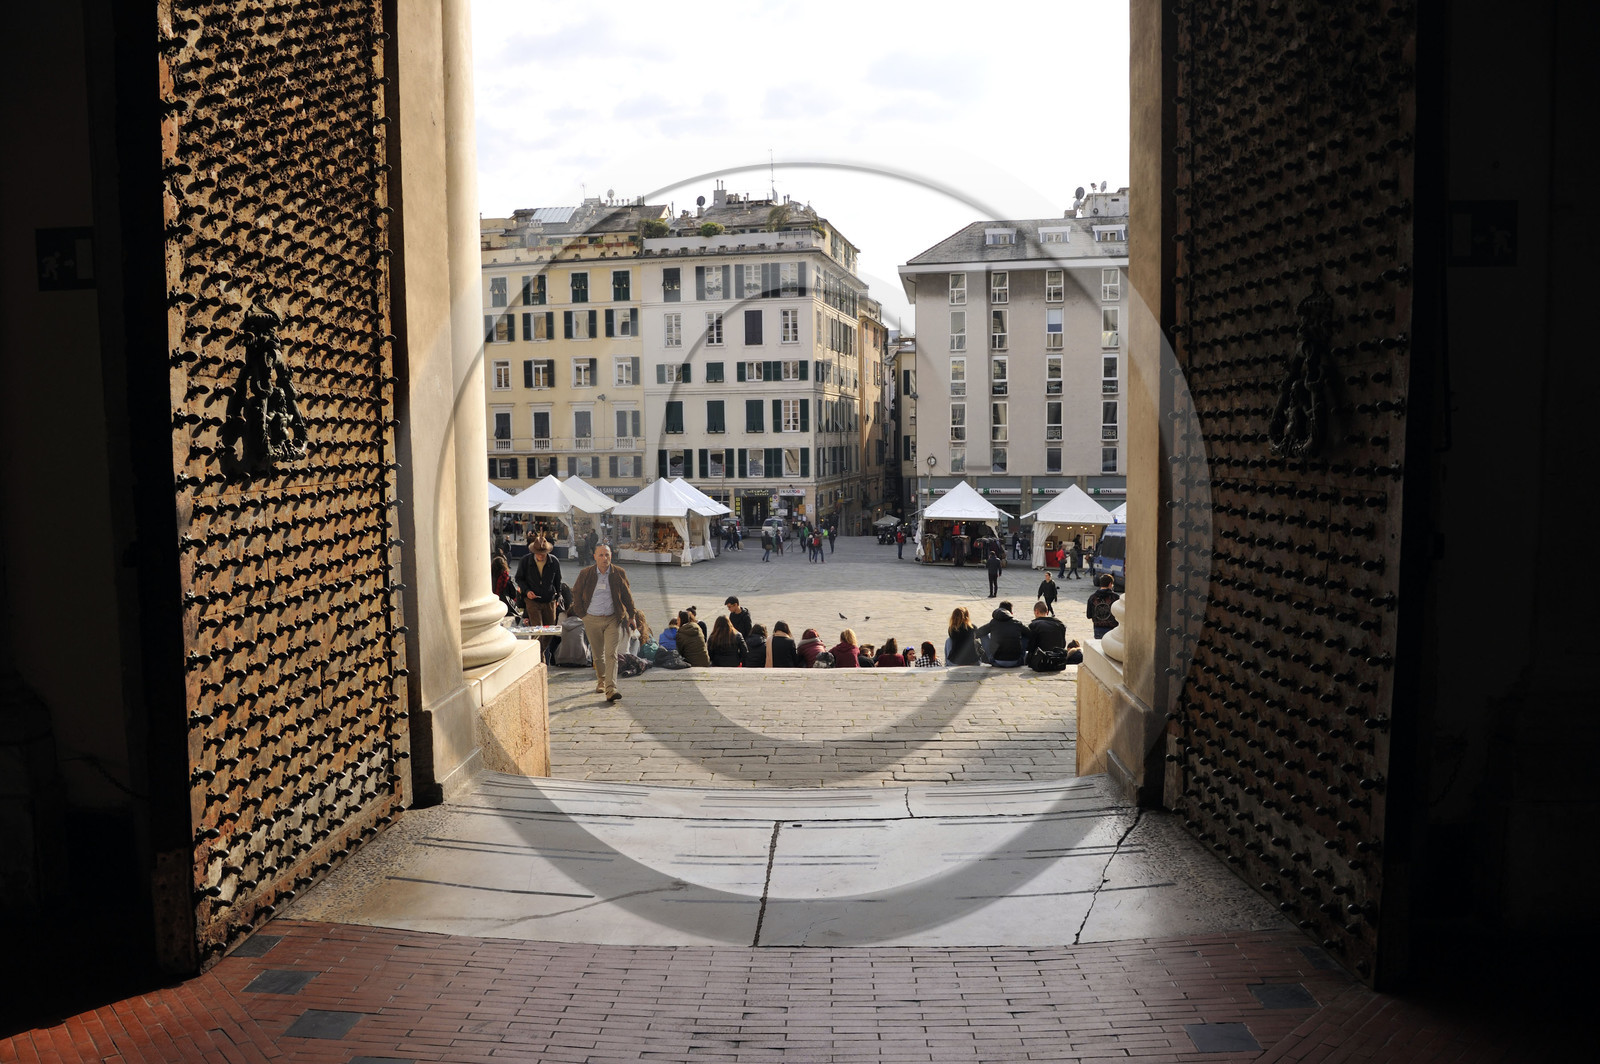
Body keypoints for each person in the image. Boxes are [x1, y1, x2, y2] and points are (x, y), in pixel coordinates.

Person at [568, 544, 637, 701]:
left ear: (611, 556)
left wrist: (632, 614)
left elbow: (627, 594)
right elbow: (576, 593)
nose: (604, 558)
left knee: (611, 654)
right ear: (595, 557)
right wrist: (582, 614)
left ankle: (611, 689)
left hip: (613, 618)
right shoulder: (586, 573)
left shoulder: (618, 573)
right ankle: (601, 680)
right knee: (598, 655)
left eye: (607, 555)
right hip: (591, 618)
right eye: (601, 555)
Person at [515, 536, 562, 626]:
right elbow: (519, 578)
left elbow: (558, 580)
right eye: (538, 553)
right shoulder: (525, 561)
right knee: (537, 628)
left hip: (549, 600)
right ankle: (538, 640)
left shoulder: (554, 561)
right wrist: (527, 591)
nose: (541, 555)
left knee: (549, 628)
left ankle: (542, 641)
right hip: (532, 600)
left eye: (543, 553)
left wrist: (558, 597)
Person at [977, 601, 1029, 668]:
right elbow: (1030, 634)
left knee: (983, 634)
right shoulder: (1017, 623)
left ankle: (990, 658)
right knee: (1025, 635)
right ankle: (1022, 657)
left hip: (996, 661)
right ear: (1011, 613)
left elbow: (978, 633)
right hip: (1016, 662)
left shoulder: (993, 623)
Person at [1088, 574, 1120, 639]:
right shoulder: (1115, 597)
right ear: (1110, 584)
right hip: (1113, 628)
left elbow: (1089, 615)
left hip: (1098, 628)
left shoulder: (1092, 597)